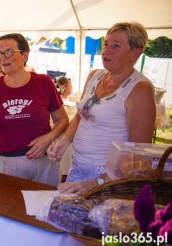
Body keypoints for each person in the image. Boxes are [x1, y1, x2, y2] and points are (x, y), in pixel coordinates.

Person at [48, 22, 156, 194]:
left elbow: (139, 157)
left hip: (110, 177)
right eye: (106, 44)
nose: (106, 51)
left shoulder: (139, 89)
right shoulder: (95, 76)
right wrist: (64, 141)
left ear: (136, 52)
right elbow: (80, 116)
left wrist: (96, 182)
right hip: (78, 167)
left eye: (116, 46)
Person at [0, 33, 69, 186]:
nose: (2, 58)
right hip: (9, 164)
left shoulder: (43, 83)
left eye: (9, 52)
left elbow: (62, 120)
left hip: (44, 162)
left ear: (25, 55)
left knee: (45, 207)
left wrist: (49, 138)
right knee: (8, 207)